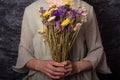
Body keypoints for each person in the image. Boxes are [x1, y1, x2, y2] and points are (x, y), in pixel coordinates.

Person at [13, 0, 111, 80]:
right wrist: (39, 65)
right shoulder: (30, 11)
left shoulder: (85, 9)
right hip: (41, 77)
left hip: (78, 77)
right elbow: (24, 53)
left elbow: (97, 50)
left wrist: (77, 67)